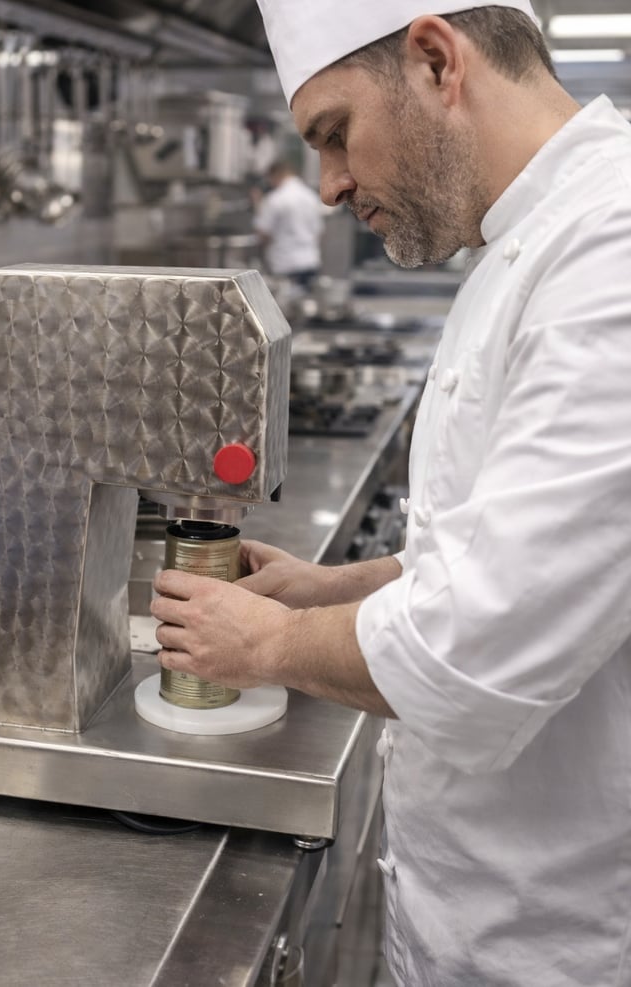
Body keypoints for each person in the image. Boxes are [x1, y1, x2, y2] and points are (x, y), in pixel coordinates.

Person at [150, 2, 631, 984]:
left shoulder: (609, 255)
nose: (329, 185)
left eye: (335, 133)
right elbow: (516, 549)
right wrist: (333, 589)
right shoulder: (527, 240)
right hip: (487, 915)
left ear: (435, 61)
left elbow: (477, 640)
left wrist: (266, 643)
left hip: (569, 935)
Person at [252, 159, 324, 285]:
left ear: (275, 175)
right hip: (310, 262)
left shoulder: (275, 199)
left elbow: (263, 233)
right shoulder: (311, 196)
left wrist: (257, 205)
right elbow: (319, 232)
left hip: (285, 265)